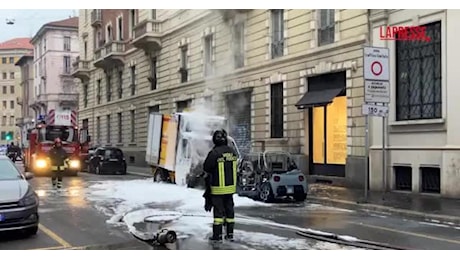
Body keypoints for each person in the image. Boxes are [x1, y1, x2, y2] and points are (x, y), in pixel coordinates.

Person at [203, 129, 238, 243]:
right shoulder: (233, 152)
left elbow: (206, 167)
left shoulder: (214, 153)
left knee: (218, 214)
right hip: (230, 189)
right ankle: (230, 234)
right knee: (230, 212)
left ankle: (217, 235)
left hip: (218, 189)